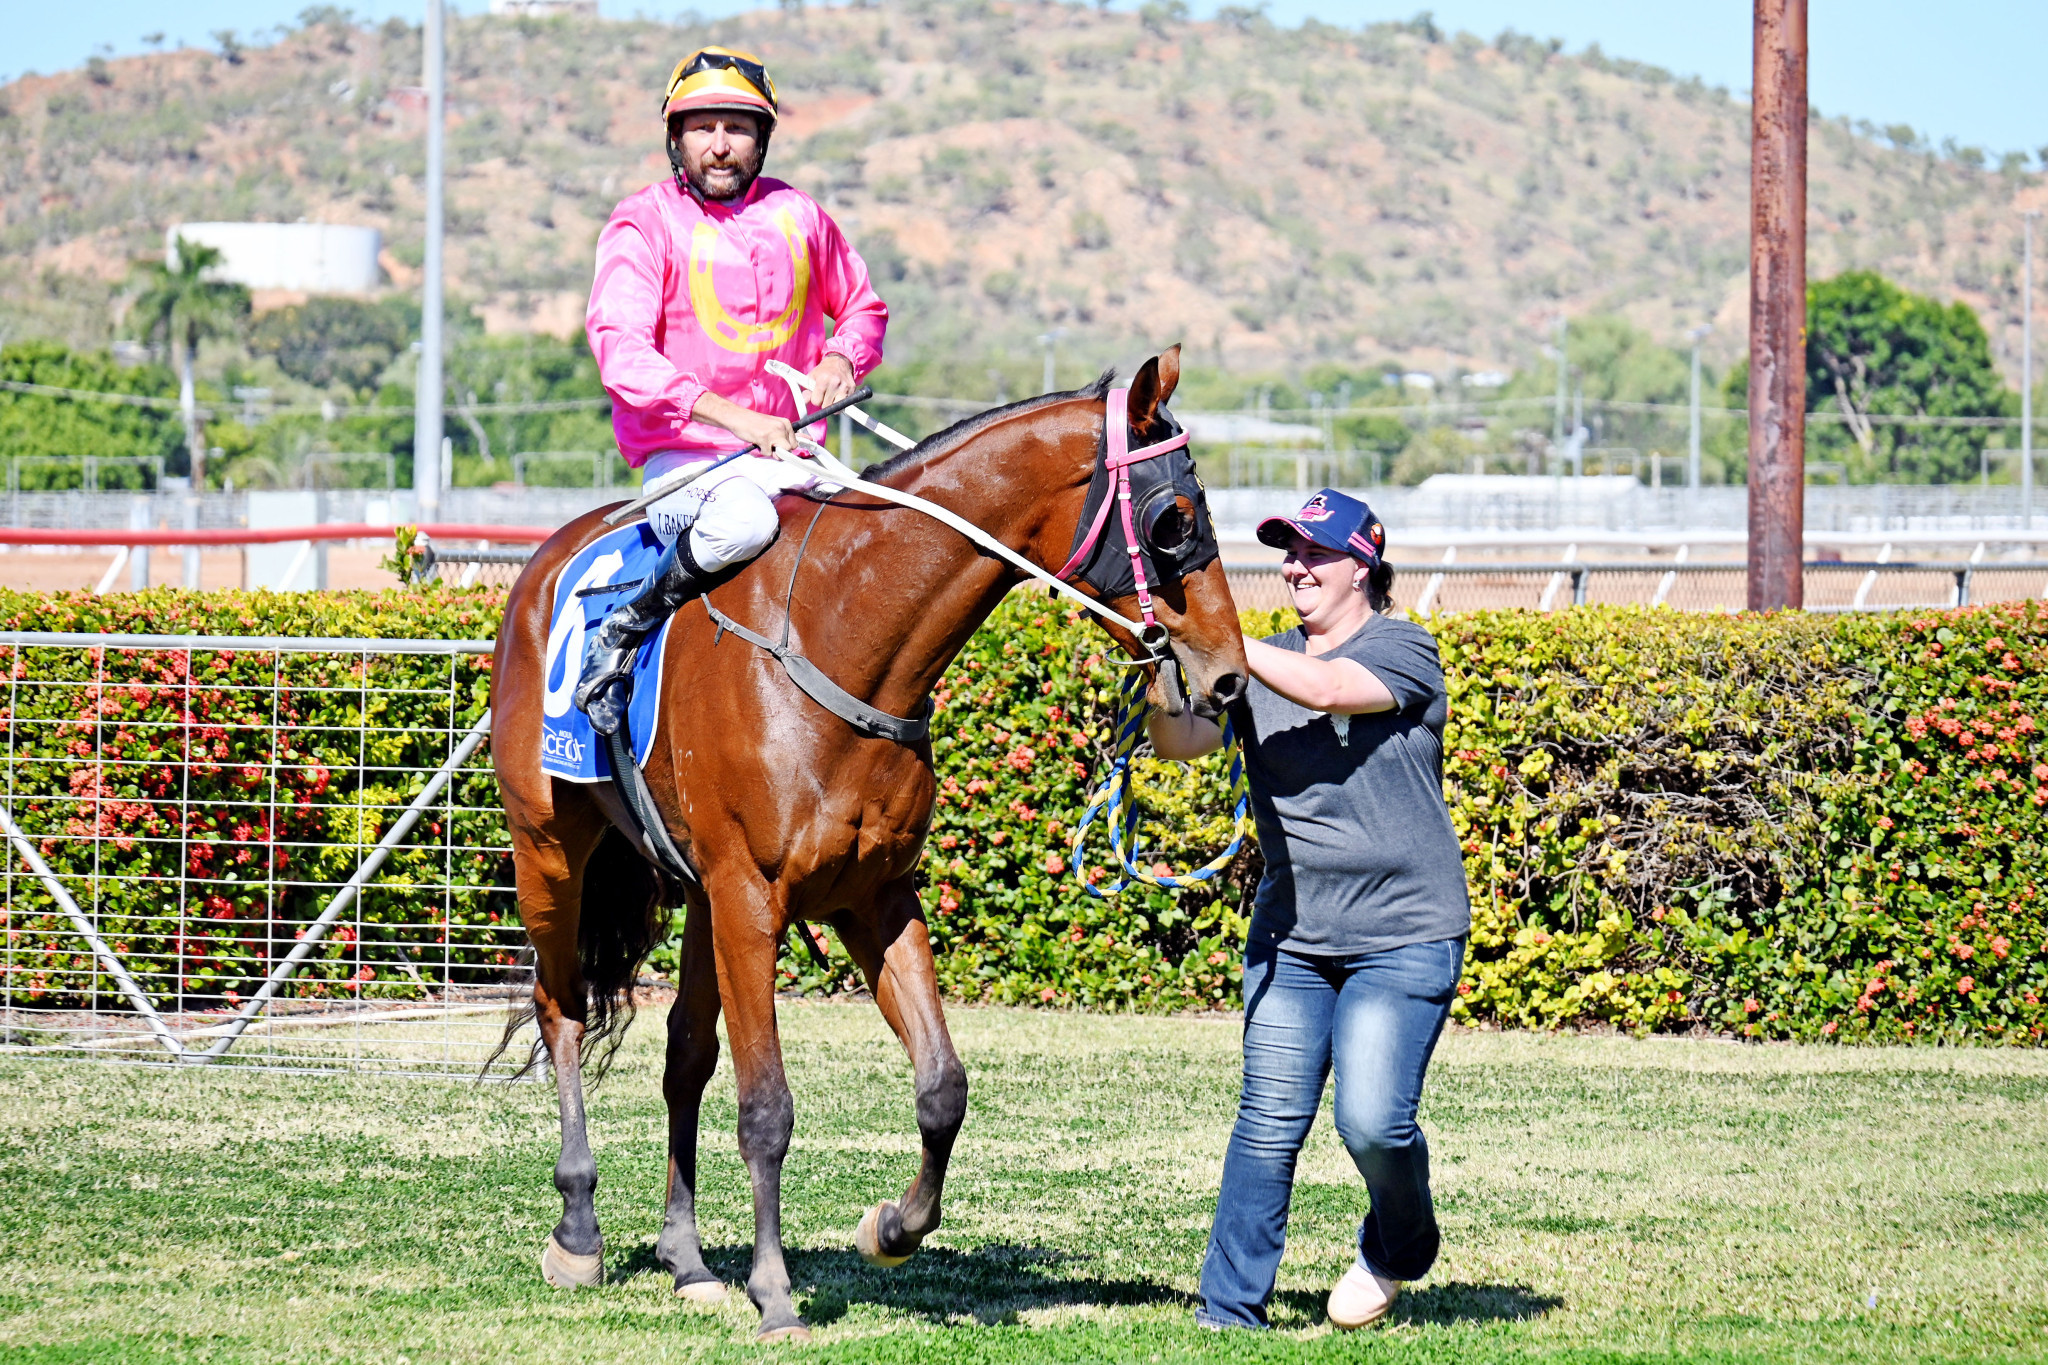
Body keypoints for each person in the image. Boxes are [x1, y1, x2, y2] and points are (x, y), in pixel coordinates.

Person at [1148, 489, 1471, 1332]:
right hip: (1296, 935)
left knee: (1371, 1121)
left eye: (1314, 552)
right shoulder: (1257, 662)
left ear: (1363, 565)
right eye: (1287, 550)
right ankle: (1229, 1311)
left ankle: (1399, 1245)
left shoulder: (1404, 648)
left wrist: (1217, 640)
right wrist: (1161, 665)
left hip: (1405, 930)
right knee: (1268, 1121)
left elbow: (1330, 689)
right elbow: (1183, 741)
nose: (1296, 566)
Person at [575, 46, 889, 733]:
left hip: (793, 462)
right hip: (686, 464)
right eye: (703, 127)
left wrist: (842, 359)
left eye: (738, 128)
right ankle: (624, 630)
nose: (720, 147)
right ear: (675, 138)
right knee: (745, 521)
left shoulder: (802, 217)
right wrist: (735, 418)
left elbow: (864, 308)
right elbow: (619, 349)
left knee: (882, 537)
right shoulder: (643, 223)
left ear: (763, 139)